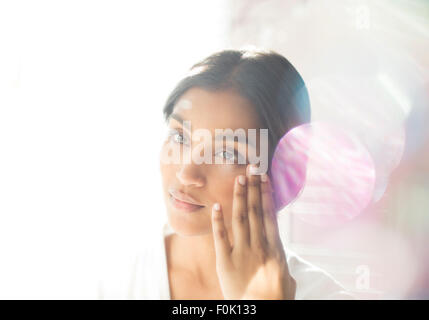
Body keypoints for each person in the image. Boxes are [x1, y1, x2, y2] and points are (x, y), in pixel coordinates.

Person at [98, 49, 353, 300]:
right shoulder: (114, 281)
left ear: (283, 178)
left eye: (228, 154)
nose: (186, 172)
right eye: (179, 137)